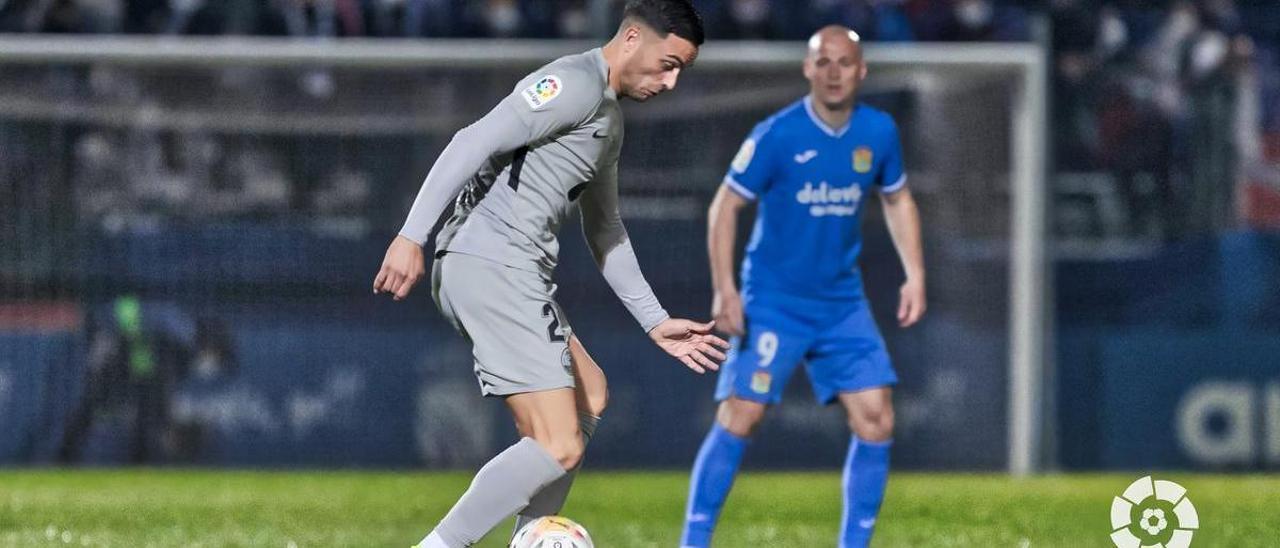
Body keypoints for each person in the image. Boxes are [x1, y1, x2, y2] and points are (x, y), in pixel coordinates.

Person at [370, 2, 728, 547]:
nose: (672, 82)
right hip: (490, 264)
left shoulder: (607, 119)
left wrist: (655, 321)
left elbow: (605, 228)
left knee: (591, 398)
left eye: (682, 70)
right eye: (668, 63)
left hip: (515, 271)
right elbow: (473, 139)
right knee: (559, 443)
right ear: (633, 38)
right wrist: (410, 235)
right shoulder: (572, 84)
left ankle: (530, 538)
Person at [680, 25, 926, 548]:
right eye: (823, 62)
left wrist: (916, 274)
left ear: (861, 71)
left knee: (877, 417)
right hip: (774, 298)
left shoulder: (878, 133)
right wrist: (726, 289)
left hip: (841, 301)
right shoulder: (778, 134)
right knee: (742, 415)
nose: (834, 72)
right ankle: (693, 542)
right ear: (807, 69)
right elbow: (725, 205)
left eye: (844, 63)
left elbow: (898, 198)